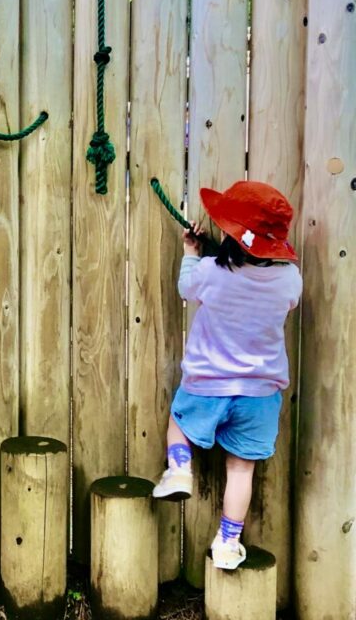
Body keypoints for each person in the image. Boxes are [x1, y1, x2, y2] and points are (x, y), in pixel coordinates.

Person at [152, 181, 302, 569]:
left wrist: (191, 252)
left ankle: (179, 469)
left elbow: (186, 288)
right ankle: (228, 543)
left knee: (178, 422)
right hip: (260, 394)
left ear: (231, 233)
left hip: (206, 384)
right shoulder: (290, 279)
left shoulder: (210, 271)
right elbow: (285, 302)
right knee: (240, 469)